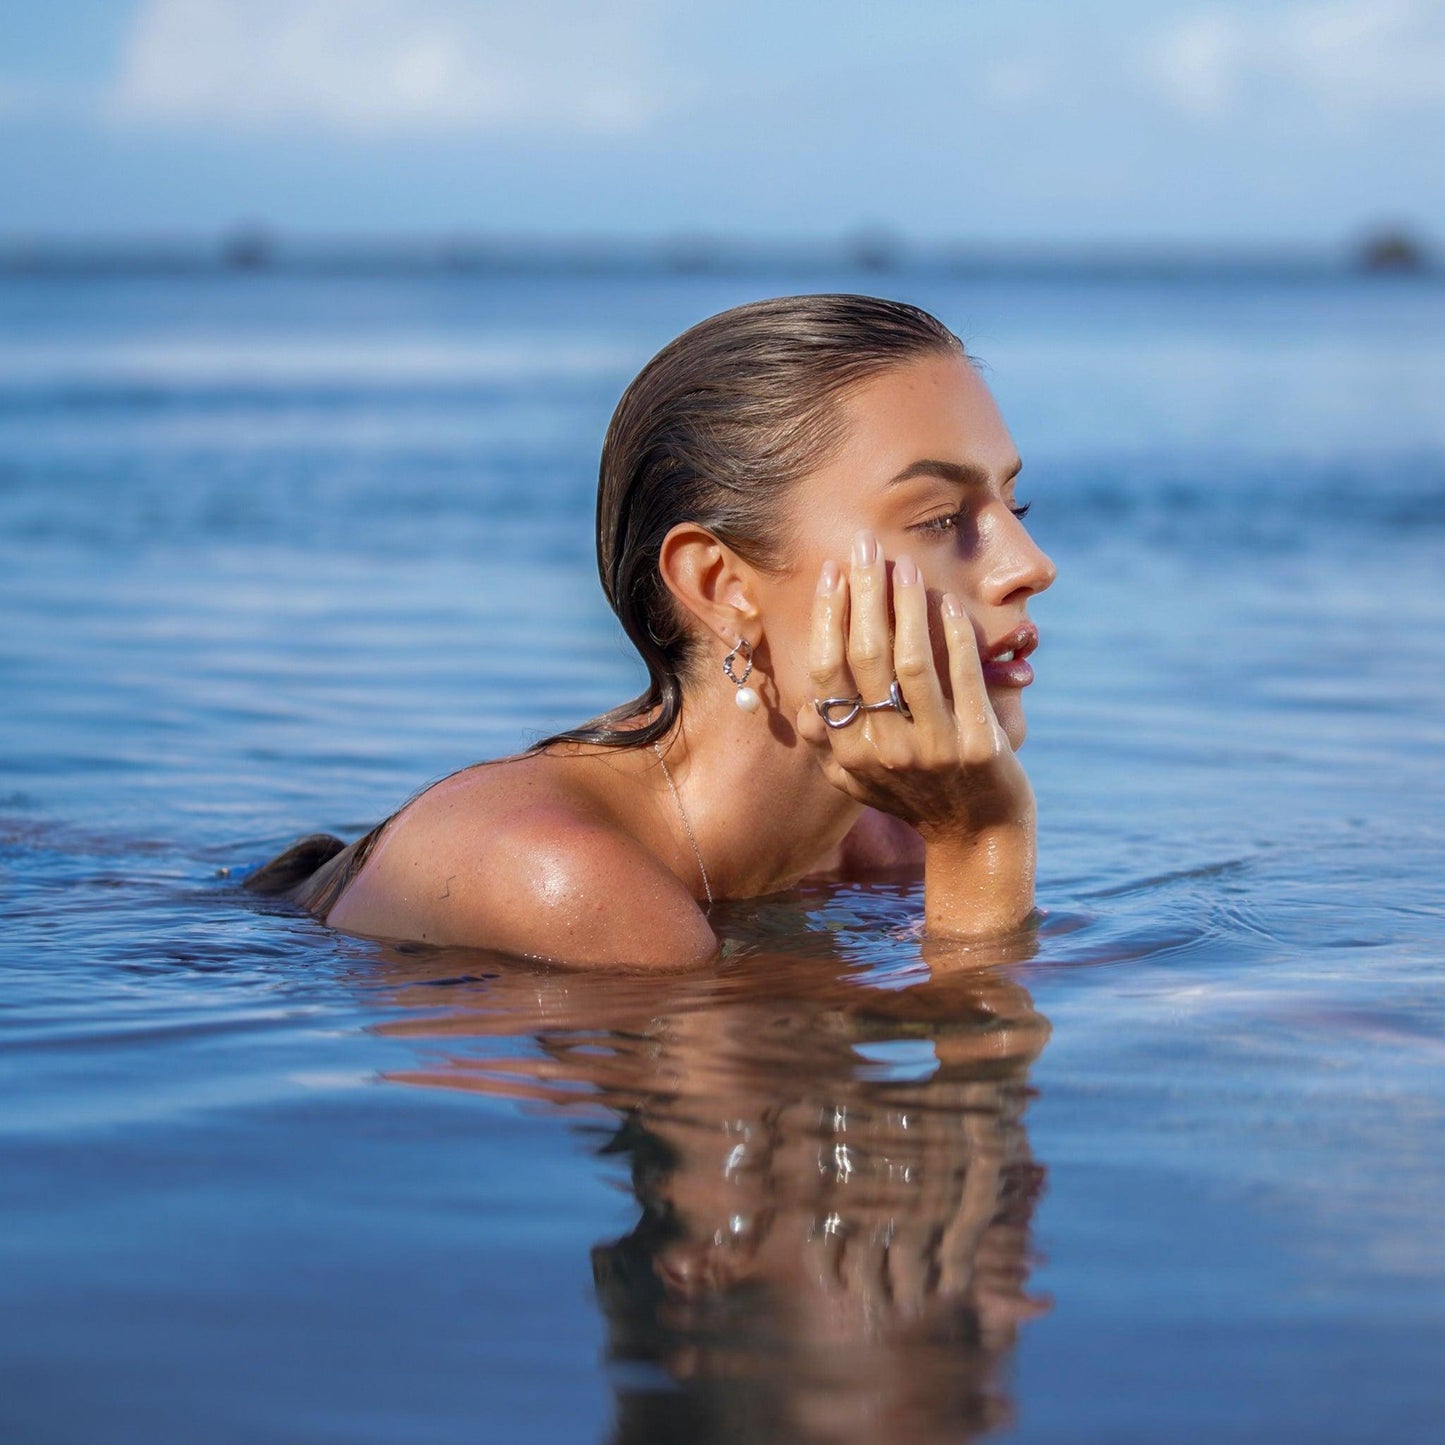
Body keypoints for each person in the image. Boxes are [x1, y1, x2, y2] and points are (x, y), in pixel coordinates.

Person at [245, 294, 1056, 967]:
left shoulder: (891, 844)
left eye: (1011, 507)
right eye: (940, 518)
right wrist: (981, 841)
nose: (1029, 565)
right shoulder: (564, 876)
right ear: (719, 584)